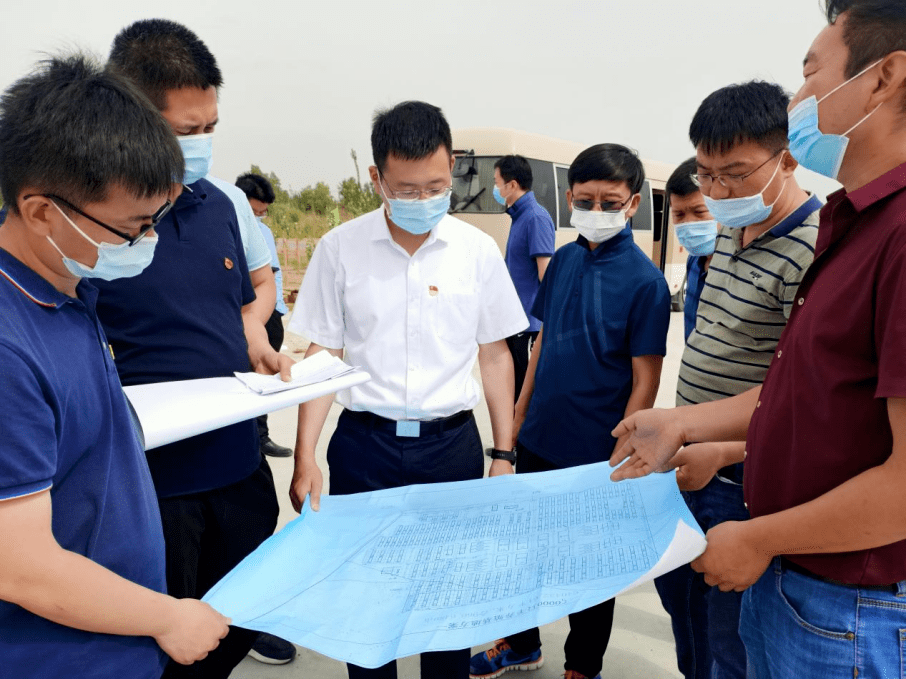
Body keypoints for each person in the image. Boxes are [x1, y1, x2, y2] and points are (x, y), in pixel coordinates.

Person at [611, 2, 906, 676]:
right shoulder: (856, 224)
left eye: (811, 74)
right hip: (804, 586)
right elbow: (801, 392)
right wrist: (682, 423)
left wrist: (757, 534)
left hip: (850, 608)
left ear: (884, 76)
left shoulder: (897, 236)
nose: (798, 98)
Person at [0, 53, 229, 679]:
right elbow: (19, 565)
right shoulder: (8, 347)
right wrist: (166, 617)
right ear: (43, 210)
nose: (146, 243)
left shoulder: (69, 287)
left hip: (112, 645)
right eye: (132, 229)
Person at [288, 100, 528, 679]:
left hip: (450, 449)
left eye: (437, 186)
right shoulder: (340, 249)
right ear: (377, 179)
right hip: (364, 447)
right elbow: (325, 354)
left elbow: (495, 353)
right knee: (368, 603)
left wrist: (503, 452)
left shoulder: (476, 251)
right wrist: (304, 456)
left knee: (444, 607)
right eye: (408, 188)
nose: (424, 200)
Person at [95, 20, 295, 677]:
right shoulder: (93, 221)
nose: (203, 143)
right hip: (154, 491)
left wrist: (258, 343)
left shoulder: (218, 206)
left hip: (239, 470)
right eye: (186, 130)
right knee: (159, 649)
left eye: (210, 126)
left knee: (236, 622)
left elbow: (237, 302)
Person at [470, 144, 671, 679]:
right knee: (521, 554)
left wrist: (620, 452)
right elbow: (543, 344)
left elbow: (645, 377)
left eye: (611, 202)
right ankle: (519, 643)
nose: (597, 212)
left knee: (589, 571)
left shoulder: (646, 283)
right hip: (538, 438)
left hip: (595, 450)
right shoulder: (561, 261)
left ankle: (582, 667)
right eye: (586, 201)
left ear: (631, 206)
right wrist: (515, 419)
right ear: (569, 198)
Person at [654, 81, 821, 679]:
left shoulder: (812, 251)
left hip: (742, 479)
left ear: (788, 158)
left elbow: (800, 399)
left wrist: (724, 449)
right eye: (705, 175)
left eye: (735, 174)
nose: (719, 192)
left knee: (733, 639)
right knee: (686, 615)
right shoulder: (727, 230)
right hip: (689, 464)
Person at [236, 172, 294, 459]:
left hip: (273, 312)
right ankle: (253, 439)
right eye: (254, 211)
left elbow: (270, 276)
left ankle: (262, 435)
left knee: (267, 378)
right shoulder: (230, 227)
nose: (259, 217)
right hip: (249, 313)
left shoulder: (264, 232)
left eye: (263, 212)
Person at [492, 155, 555, 401]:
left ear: (512, 185)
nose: (496, 189)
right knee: (510, 385)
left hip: (527, 324)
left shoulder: (535, 218)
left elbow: (545, 274)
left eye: (497, 183)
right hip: (513, 318)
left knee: (522, 390)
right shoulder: (519, 217)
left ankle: (521, 439)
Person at [666, 157, 717, 341]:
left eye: (699, 212)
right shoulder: (694, 260)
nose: (688, 222)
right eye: (679, 215)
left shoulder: (740, 264)